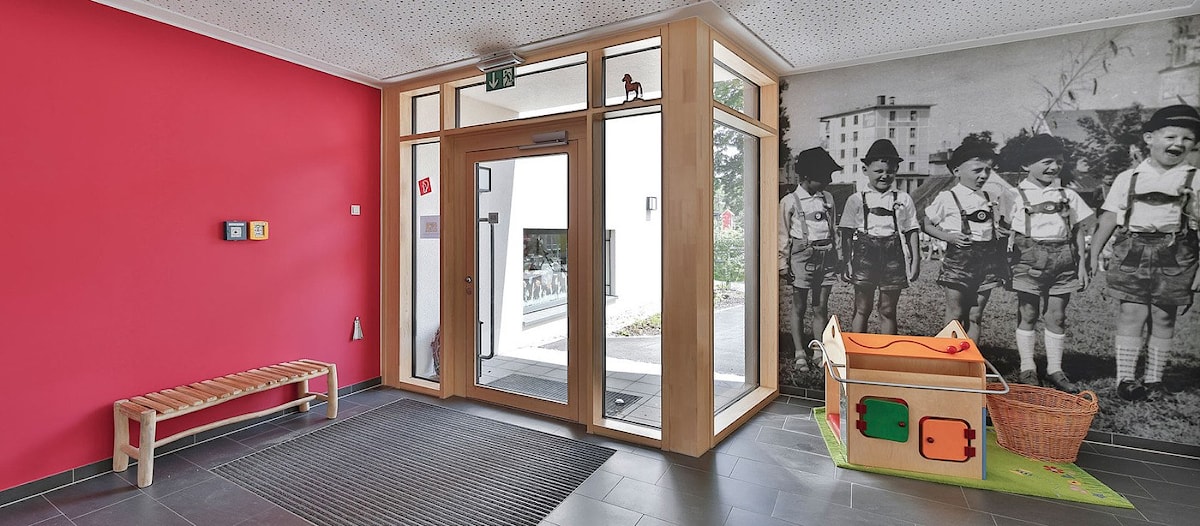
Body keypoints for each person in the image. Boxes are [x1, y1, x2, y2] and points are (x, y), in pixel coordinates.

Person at [1089, 104, 1200, 402]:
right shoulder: (1129, 177)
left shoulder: (1195, 178)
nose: (1178, 144)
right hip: (1133, 251)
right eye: (1171, 136)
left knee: (1164, 316)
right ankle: (1125, 379)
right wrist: (1093, 254)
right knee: (1131, 313)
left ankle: (1154, 380)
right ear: (1149, 138)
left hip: (1176, 254)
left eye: (1187, 138)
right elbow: (1109, 218)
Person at [1007, 134, 1094, 391]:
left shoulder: (1068, 195)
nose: (1054, 167)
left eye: (1059, 162)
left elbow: (1077, 231)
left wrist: (1082, 265)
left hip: (1064, 260)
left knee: (1057, 315)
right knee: (1028, 313)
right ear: (1026, 164)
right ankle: (1027, 367)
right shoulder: (1013, 195)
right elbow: (1003, 231)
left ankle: (1055, 368)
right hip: (1028, 259)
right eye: (1047, 162)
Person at [923, 141, 1012, 343]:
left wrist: (1000, 232)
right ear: (957, 171)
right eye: (977, 170)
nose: (984, 175)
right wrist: (948, 237)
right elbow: (926, 224)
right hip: (959, 262)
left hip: (987, 262)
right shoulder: (948, 197)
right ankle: (948, 356)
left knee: (975, 315)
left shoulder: (991, 196)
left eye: (988, 170)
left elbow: (998, 225)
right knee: (955, 313)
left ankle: (971, 356)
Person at [839, 139, 920, 334]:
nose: (884, 176)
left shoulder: (903, 198)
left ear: (896, 170)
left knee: (888, 310)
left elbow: (912, 230)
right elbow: (846, 233)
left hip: (893, 257)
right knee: (862, 308)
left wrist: (916, 260)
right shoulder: (856, 199)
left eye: (890, 171)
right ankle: (858, 348)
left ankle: (887, 349)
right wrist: (846, 261)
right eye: (878, 171)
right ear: (865, 170)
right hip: (865, 256)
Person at [779, 147, 842, 371]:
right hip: (802, 258)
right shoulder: (790, 201)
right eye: (824, 177)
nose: (829, 181)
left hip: (827, 256)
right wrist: (782, 263)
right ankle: (799, 352)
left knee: (820, 306)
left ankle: (817, 349)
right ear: (806, 176)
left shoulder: (828, 198)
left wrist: (838, 255)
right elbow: (782, 235)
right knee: (799, 306)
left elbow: (833, 229)